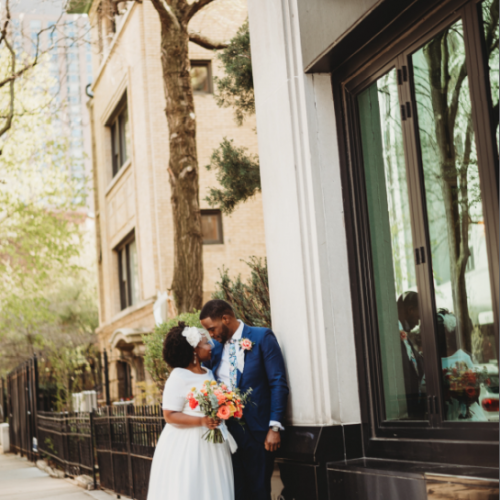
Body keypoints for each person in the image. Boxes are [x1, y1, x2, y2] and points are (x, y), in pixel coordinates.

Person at [200, 300, 289, 500]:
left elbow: (278, 382)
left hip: (258, 433)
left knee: (258, 492)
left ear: (226, 318)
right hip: (226, 434)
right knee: (235, 492)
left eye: (212, 329)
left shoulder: (261, 337)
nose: (211, 335)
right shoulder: (214, 348)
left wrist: (274, 427)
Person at [147, 321, 235, 500]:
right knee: (192, 487)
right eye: (205, 343)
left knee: (214, 486)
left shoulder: (208, 373)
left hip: (214, 444)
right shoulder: (178, 376)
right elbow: (169, 415)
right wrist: (201, 421)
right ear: (194, 350)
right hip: (189, 444)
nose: (211, 346)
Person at [397, 291, 426, 419]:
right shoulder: (392, 334)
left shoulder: (406, 337)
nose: (418, 323)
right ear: (410, 310)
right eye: (418, 317)